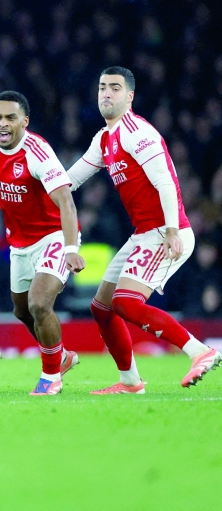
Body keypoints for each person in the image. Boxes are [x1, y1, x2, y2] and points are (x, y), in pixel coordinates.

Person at [66, 67, 220, 393]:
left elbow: (165, 180)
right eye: (102, 87)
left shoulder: (138, 132)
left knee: (126, 302)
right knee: (101, 307)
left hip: (164, 231)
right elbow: (71, 180)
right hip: (142, 234)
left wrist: (172, 230)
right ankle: (130, 381)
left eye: (115, 88)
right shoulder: (105, 138)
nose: (106, 94)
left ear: (130, 96)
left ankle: (200, 351)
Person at [0, 91, 84, 395]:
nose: (2, 124)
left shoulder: (38, 153)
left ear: (24, 122)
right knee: (21, 311)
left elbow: (66, 202)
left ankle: (51, 376)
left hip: (54, 237)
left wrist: (71, 249)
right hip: (20, 243)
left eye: (10, 118)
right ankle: (62, 355)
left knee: (40, 303)